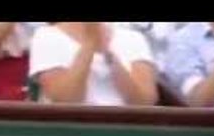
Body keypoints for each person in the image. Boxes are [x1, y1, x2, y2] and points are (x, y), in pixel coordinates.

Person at [29, 22, 157, 106]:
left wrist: (108, 54)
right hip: (76, 131)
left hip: (127, 129)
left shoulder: (133, 38)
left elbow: (145, 101)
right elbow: (66, 99)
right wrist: (89, 45)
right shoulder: (46, 36)